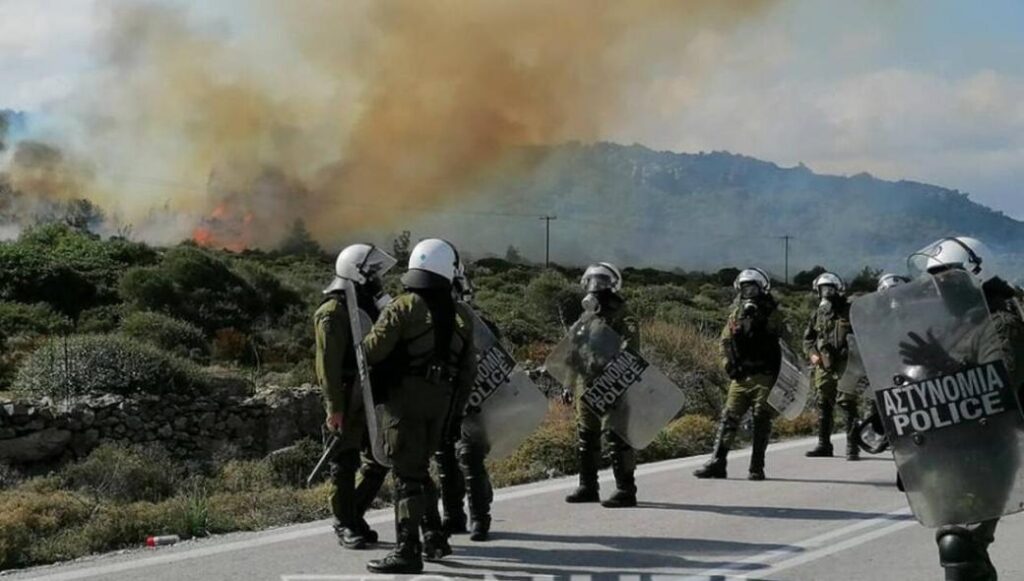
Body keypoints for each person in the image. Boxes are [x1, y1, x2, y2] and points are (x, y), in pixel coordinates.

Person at [905, 237, 1024, 580]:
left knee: (960, 542)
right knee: (961, 546)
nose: (941, 286)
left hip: (991, 448)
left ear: (977, 273)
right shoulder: (956, 326)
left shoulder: (999, 324)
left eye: (948, 276)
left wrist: (943, 364)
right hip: (954, 449)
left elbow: (999, 388)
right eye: (936, 278)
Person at [363, 239, 477, 575]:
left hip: (406, 404)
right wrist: (454, 413)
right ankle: (434, 537)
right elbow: (468, 372)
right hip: (442, 404)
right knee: (420, 470)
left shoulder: (403, 306)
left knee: (406, 477)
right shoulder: (462, 315)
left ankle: (407, 550)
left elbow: (371, 351)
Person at [314, 244, 396, 550]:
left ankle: (354, 513)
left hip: (370, 394)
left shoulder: (368, 306)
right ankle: (344, 523)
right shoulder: (333, 313)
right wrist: (334, 408)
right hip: (347, 396)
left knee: (380, 458)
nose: (376, 277)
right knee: (344, 461)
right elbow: (328, 367)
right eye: (370, 272)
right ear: (355, 272)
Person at [694, 267, 786, 481]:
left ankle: (756, 467)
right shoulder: (736, 314)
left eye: (753, 288)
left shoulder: (773, 314)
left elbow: (785, 342)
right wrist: (728, 364)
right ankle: (717, 463)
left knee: (761, 419)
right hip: (741, 376)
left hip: (765, 376)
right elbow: (725, 341)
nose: (749, 292)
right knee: (729, 417)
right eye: (745, 288)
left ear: (761, 289)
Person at [564, 262, 641, 508]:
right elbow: (573, 352)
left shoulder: (623, 315)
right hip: (586, 384)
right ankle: (588, 486)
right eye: (592, 281)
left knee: (616, 435)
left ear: (613, 285)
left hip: (612, 384)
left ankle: (626, 490)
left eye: (601, 281)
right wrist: (568, 384)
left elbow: (632, 349)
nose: (596, 286)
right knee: (586, 436)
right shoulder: (586, 318)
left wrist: (613, 371)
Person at [432, 264, 496, 541]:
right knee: (444, 458)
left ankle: (480, 519)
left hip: (473, 400)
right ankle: (453, 516)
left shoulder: (481, 324)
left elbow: (497, 361)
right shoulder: (430, 320)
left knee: (470, 457)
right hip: (444, 399)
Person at [803, 272, 859, 460]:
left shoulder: (849, 311)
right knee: (823, 404)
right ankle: (824, 444)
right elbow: (808, 339)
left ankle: (852, 447)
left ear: (838, 290)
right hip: (824, 365)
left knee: (847, 403)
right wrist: (812, 355)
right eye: (823, 289)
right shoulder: (817, 314)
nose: (826, 293)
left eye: (830, 289)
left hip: (846, 364)